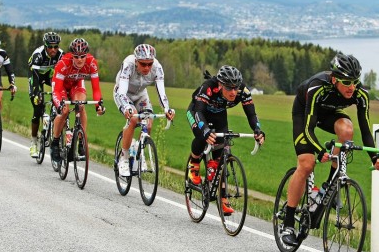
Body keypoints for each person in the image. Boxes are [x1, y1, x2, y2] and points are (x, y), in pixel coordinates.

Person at [280, 53, 379, 247]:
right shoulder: (317, 87)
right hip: (305, 114)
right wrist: (320, 151)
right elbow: (307, 128)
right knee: (307, 164)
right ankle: (287, 223)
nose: (352, 87)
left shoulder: (359, 93)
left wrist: (374, 158)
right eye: (347, 82)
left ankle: (329, 184)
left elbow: (365, 129)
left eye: (355, 82)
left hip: (329, 114)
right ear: (335, 78)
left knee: (347, 130)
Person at [186, 65, 265, 214]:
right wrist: (205, 130)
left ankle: (222, 198)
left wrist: (257, 129)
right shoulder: (208, 87)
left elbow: (252, 114)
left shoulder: (243, 90)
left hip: (218, 115)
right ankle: (194, 163)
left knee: (221, 152)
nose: (233, 92)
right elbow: (199, 111)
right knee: (203, 136)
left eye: (236, 88)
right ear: (221, 85)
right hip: (197, 112)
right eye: (229, 88)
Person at [114, 44, 175, 176]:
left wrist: (166, 109)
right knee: (134, 118)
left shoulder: (157, 68)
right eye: (143, 64)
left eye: (149, 64)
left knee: (149, 121)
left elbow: (161, 92)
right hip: (123, 94)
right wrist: (126, 108)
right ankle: (123, 159)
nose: (147, 67)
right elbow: (122, 91)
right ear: (136, 61)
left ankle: (138, 149)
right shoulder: (128, 64)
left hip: (141, 94)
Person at [50, 37, 105, 163]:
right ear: (71, 55)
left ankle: (81, 141)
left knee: (80, 105)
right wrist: (59, 105)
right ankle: (55, 142)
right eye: (76, 56)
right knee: (64, 111)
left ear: (87, 55)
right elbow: (56, 90)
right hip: (61, 86)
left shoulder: (92, 63)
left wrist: (98, 106)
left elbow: (96, 89)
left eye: (82, 56)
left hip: (76, 84)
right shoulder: (63, 64)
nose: (79, 60)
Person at [27, 32, 64, 158]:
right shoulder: (38, 54)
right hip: (36, 77)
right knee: (37, 108)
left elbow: (62, 75)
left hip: (49, 76)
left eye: (56, 47)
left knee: (59, 98)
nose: (53, 50)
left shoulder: (60, 55)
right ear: (45, 46)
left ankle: (52, 128)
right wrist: (38, 93)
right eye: (50, 47)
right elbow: (36, 76)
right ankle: (33, 142)